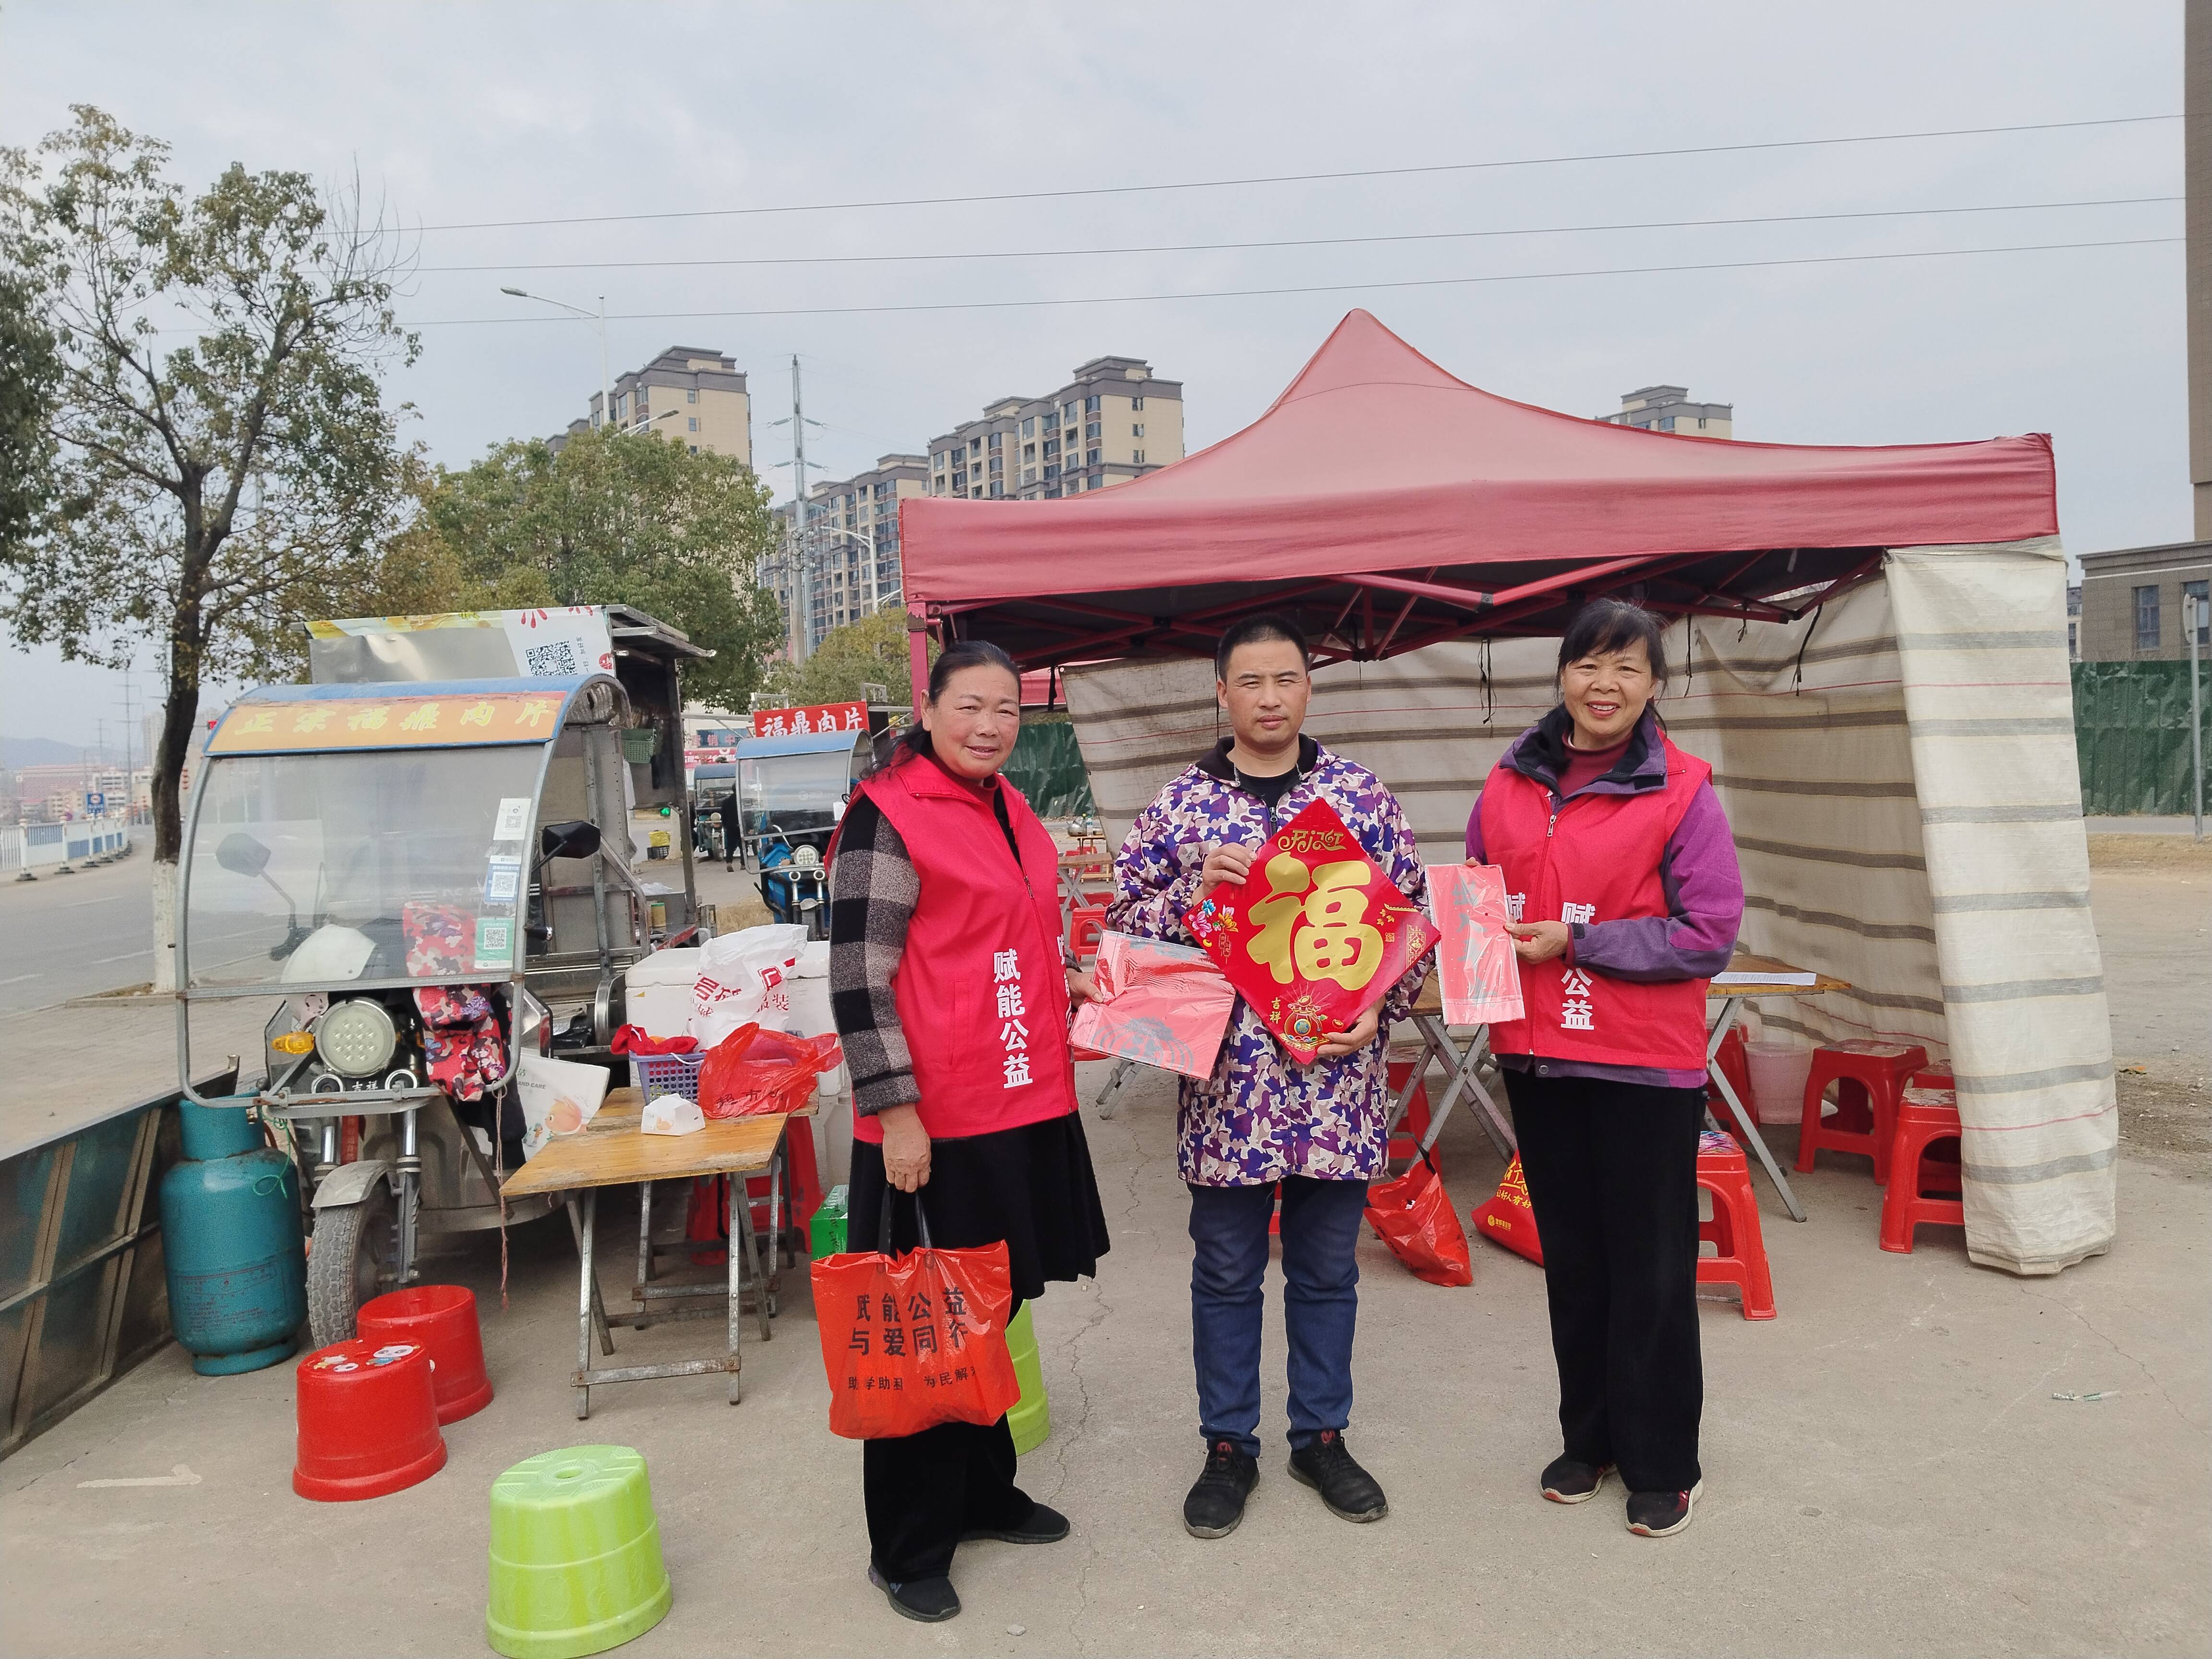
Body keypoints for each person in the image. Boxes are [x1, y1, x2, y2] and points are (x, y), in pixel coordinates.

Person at [1109, 613, 1430, 1540]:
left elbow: (1411, 922)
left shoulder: (1357, 796)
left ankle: (1321, 1438)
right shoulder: (1182, 808)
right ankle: (1228, 1447)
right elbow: (1121, 928)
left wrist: (1380, 1009)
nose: (1269, 698)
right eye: (1250, 682)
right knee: (1226, 1273)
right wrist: (1191, 894)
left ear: (1308, 687)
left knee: (1328, 1271)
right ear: (1222, 693)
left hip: (1336, 1088)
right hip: (1227, 1091)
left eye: (1286, 679)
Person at [827, 638, 1111, 1623]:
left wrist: (1067, 977)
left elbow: (1003, 935)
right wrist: (896, 1114)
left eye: (1008, 711)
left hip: (1019, 1103)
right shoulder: (887, 816)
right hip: (933, 1123)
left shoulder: (1008, 804)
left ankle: (985, 1496)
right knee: (927, 1329)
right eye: (971, 707)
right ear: (930, 707)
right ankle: (907, 1548)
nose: (991, 726)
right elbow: (857, 983)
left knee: (991, 1309)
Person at [1465, 597, 1743, 1539]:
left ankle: (1662, 1461)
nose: (1606, 684)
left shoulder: (1684, 790)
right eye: (1590, 663)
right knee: (1575, 1262)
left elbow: (1708, 932)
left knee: (1652, 1270)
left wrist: (1580, 941)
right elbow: (1478, 900)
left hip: (1642, 1067)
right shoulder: (1508, 784)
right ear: (1562, 673)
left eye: (1629, 667)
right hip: (1540, 1059)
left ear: (1656, 685)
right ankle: (1589, 1439)